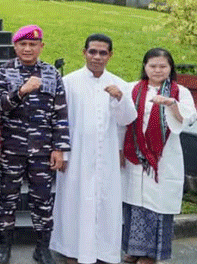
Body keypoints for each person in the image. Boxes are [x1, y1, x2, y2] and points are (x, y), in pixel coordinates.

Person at [50, 34, 136, 264]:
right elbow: (59, 120)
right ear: (84, 52)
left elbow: (127, 120)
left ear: (110, 55)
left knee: (105, 202)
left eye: (103, 53)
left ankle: (103, 252)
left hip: (106, 155)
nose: (97, 57)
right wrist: (62, 151)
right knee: (74, 201)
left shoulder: (119, 83)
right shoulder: (69, 82)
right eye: (92, 52)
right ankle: (72, 250)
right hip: (76, 154)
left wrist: (120, 98)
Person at [0, 25, 69, 264]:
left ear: (41, 46)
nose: (27, 49)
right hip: (11, 147)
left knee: (43, 199)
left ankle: (42, 247)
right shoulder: (3, 72)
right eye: (22, 44)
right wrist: (22, 91)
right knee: (7, 197)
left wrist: (60, 148)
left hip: (43, 149)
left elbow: (61, 113)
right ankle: (4, 246)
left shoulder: (52, 74)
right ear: (15, 46)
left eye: (32, 44)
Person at [120, 48, 197, 264]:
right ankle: (133, 250)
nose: (157, 70)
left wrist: (171, 105)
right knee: (135, 204)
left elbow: (188, 118)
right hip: (136, 158)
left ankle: (151, 254)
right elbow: (122, 119)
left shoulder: (179, 91)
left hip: (163, 160)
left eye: (163, 66)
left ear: (170, 68)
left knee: (157, 207)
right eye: (152, 65)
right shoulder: (131, 88)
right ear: (144, 67)